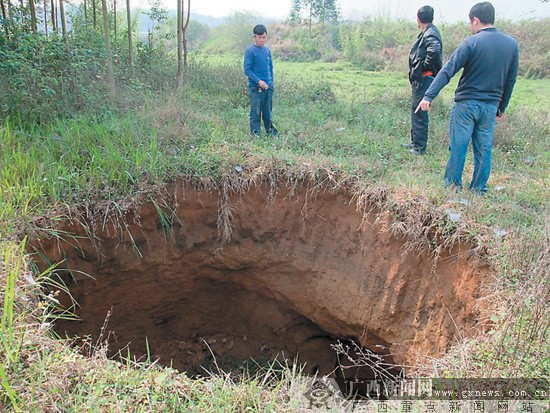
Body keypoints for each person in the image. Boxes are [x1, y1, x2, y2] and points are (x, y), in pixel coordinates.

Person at [416, 2, 519, 193]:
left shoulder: (471, 43)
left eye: (470, 22)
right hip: (490, 107)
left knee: (458, 146)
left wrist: (429, 95)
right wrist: (501, 107)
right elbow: (511, 80)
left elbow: (448, 71)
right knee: (484, 149)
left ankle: (453, 187)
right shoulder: (511, 45)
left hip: (466, 105)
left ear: (476, 20)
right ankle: (478, 188)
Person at [405, 5, 443, 155]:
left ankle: (419, 149)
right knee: (416, 111)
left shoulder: (430, 33)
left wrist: (423, 67)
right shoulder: (428, 32)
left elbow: (434, 50)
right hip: (422, 78)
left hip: (425, 77)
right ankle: (415, 142)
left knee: (420, 112)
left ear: (418, 19)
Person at [244, 24, 278, 137]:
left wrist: (271, 82)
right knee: (255, 113)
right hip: (256, 88)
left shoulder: (267, 50)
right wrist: (259, 81)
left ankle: (270, 133)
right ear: (255, 37)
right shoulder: (250, 51)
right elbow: (247, 70)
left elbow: (270, 68)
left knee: (268, 112)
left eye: (264, 37)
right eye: (260, 37)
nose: (262, 40)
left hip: (268, 88)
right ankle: (255, 134)